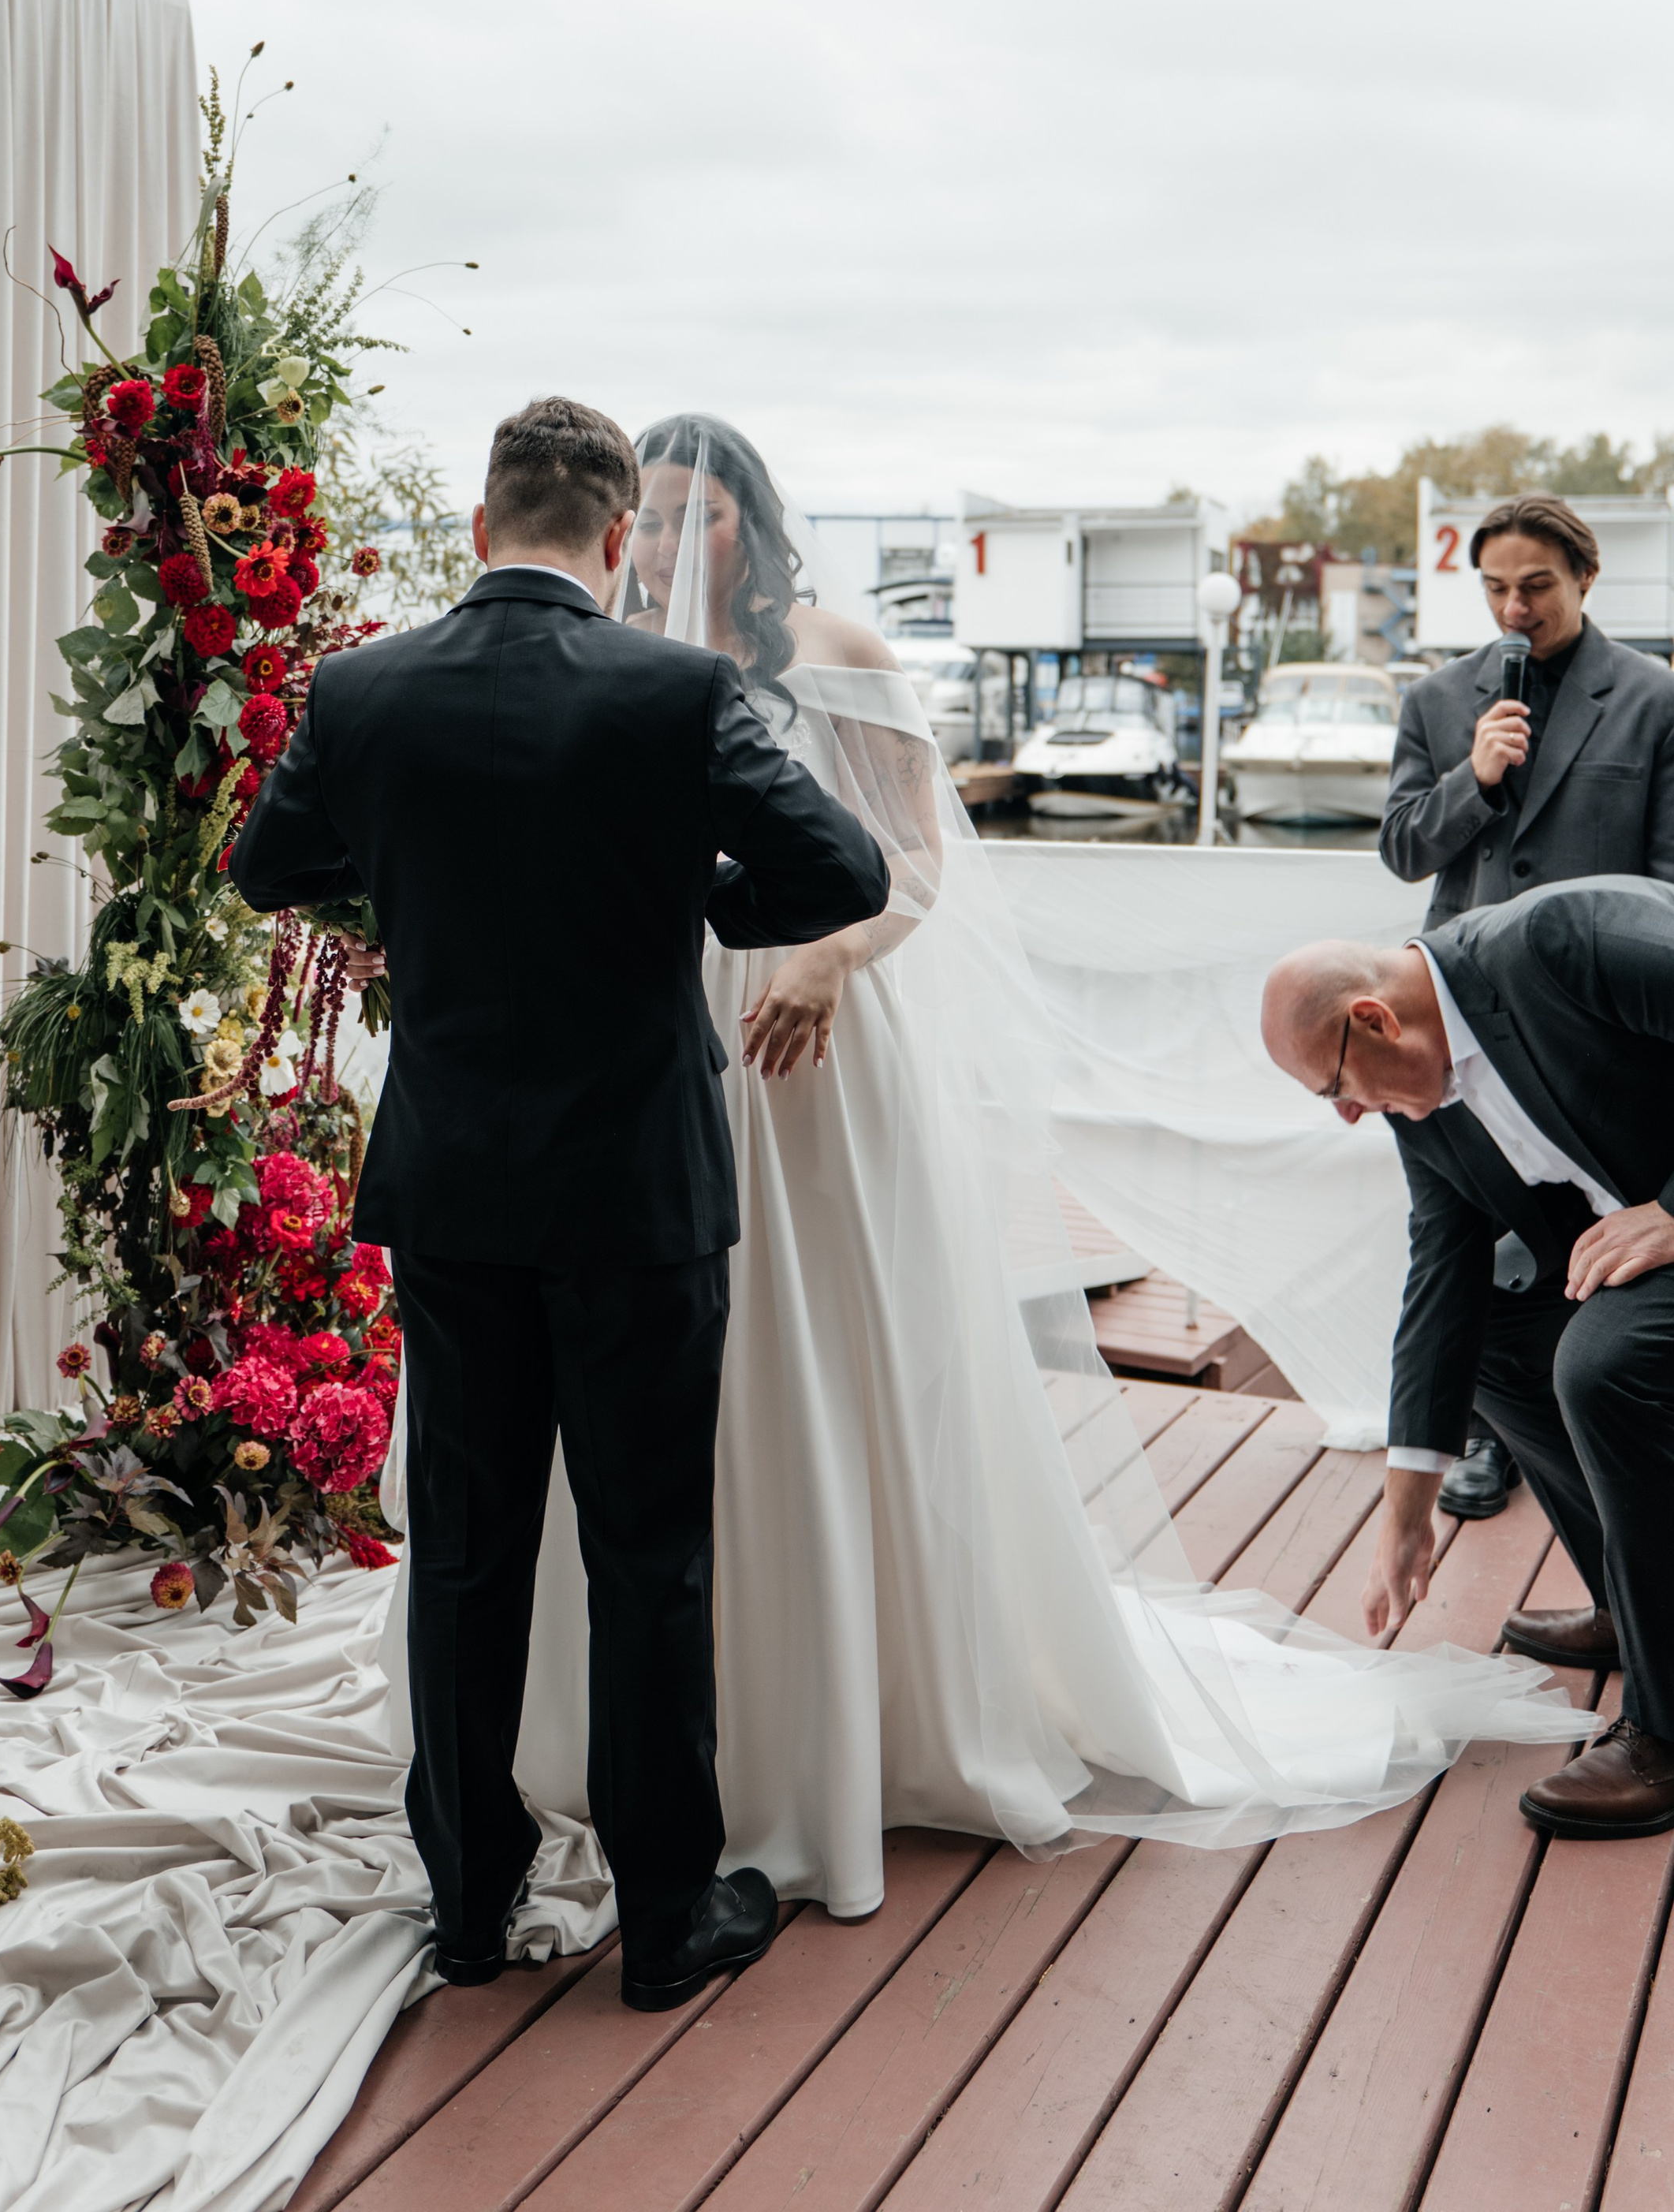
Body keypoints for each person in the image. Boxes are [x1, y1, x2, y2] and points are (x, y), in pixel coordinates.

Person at [488, 412, 1590, 1916]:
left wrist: (826, 955)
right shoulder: (608, 657)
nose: (679, 551)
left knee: (817, 1358)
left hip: (819, 1045)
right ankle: (650, 1721)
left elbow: (918, 863)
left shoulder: (832, 643)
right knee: (667, 1368)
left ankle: (841, 1711)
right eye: (656, 522)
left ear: (755, 518)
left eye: (706, 519)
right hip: (658, 1052)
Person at [229, 394, 890, 2011]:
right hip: (637, 1190)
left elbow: (264, 866)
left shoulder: (363, 687)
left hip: (454, 1186)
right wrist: (683, 891)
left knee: (462, 1549)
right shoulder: (678, 689)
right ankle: (666, 1920)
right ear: (611, 541)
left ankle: (467, 1899)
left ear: (478, 529)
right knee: (646, 1553)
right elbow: (844, 879)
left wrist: (422, 895)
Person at [1262, 876, 1674, 1837]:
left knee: (1600, 1365)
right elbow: (1440, 1275)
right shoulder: (1427, 1103)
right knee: (1493, 1330)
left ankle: (1665, 1732)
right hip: (1642, 1238)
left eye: (1333, 1087)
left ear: (1373, 1019)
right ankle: (1639, 1605)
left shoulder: (1559, 942)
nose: (1346, 1115)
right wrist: (1404, 1513)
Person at [1381, 495, 1674, 1542]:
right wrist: (1476, 777)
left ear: (1585, 579)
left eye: (1536, 586)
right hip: (1461, 1018)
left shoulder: (1654, 699)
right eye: (1496, 587)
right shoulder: (1439, 699)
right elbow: (1405, 848)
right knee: (1481, 1256)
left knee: (1609, 1275)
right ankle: (1492, 1440)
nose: (1515, 606)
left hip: (1601, 1025)